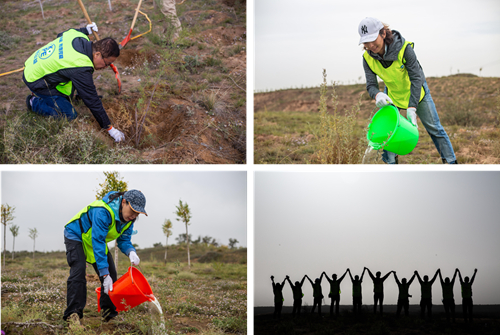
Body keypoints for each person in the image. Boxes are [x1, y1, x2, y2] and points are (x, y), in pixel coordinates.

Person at [358, 17, 457, 164]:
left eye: (373, 39)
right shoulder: (367, 58)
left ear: (383, 34)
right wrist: (377, 94)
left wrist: (412, 107)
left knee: (435, 129)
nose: (371, 45)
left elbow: (417, 79)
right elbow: (371, 85)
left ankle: (451, 163)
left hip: (418, 94)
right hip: (392, 97)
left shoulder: (405, 49)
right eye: (366, 42)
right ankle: (392, 167)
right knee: (388, 133)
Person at [23, 23, 125, 142]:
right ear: (97, 54)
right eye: (107, 63)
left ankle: (68, 96)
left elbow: (61, 35)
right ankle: (33, 102)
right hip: (36, 79)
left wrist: (85, 29)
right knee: (69, 115)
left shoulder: (78, 36)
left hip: (34, 63)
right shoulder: (80, 66)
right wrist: (110, 128)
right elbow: (92, 100)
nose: (106, 67)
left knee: (73, 82)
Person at [63, 190, 147, 323]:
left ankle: (109, 315)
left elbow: (124, 241)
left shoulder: (129, 220)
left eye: (137, 213)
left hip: (94, 240)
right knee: (78, 272)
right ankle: (73, 316)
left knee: (112, 276)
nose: (134, 215)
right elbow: (98, 241)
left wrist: (131, 251)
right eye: (132, 210)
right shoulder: (103, 211)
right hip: (77, 235)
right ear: (124, 202)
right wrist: (103, 273)